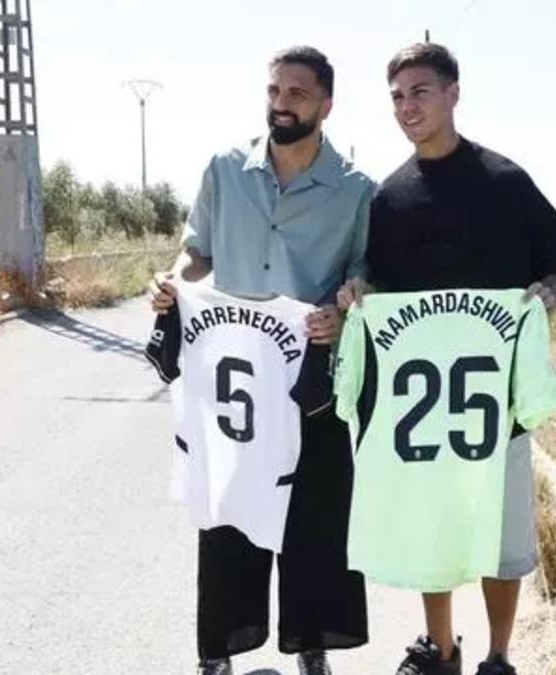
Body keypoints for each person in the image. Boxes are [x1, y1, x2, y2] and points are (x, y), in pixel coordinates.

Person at [337, 43, 556, 675]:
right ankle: (440, 650)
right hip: (423, 411)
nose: (406, 107)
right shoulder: (390, 197)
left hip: (495, 404)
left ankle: (498, 656)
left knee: (501, 542)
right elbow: (376, 274)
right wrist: (361, 287)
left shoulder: (505, 181)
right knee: (433, 535)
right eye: (396, 97)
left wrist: (544, 298)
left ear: (452, 94)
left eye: (419, 91)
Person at [150, 46, 372, 675]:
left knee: (316, 515)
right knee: (227, 510)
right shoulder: (225, 170)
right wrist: (171, 282)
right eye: (275, 90)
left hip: (311, 377)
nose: (282, 103)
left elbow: (362, 275)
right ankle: (218, 652)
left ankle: (312, 646)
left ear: (326, 105)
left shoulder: (357, 192)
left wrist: (344, 306)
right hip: (234, 375)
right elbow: (196, 253)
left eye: (297, 94)